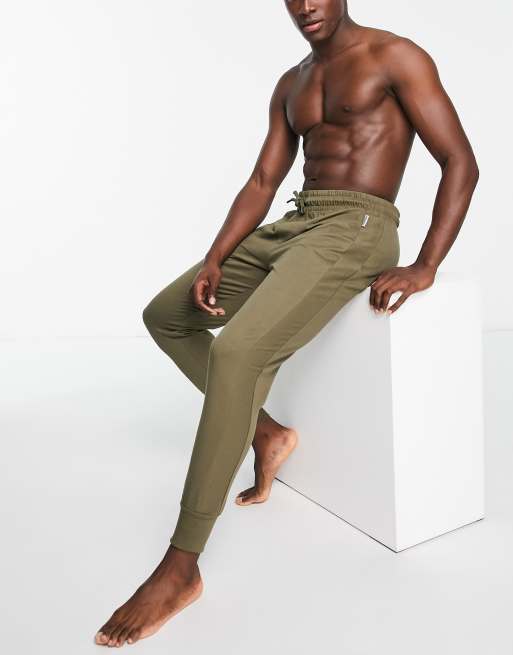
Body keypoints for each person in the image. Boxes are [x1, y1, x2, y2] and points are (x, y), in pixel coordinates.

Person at [94, 0, 479, 647]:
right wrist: (216, 256)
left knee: (237, 351)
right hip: (296, 221)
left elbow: (460, 161)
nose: (305, 6)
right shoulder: (292, 82)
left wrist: (425, 265)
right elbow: (262, 179)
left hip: (359, 224)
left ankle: (181, 565)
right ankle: (266, 431)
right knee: (167, 316)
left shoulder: (395, 56)